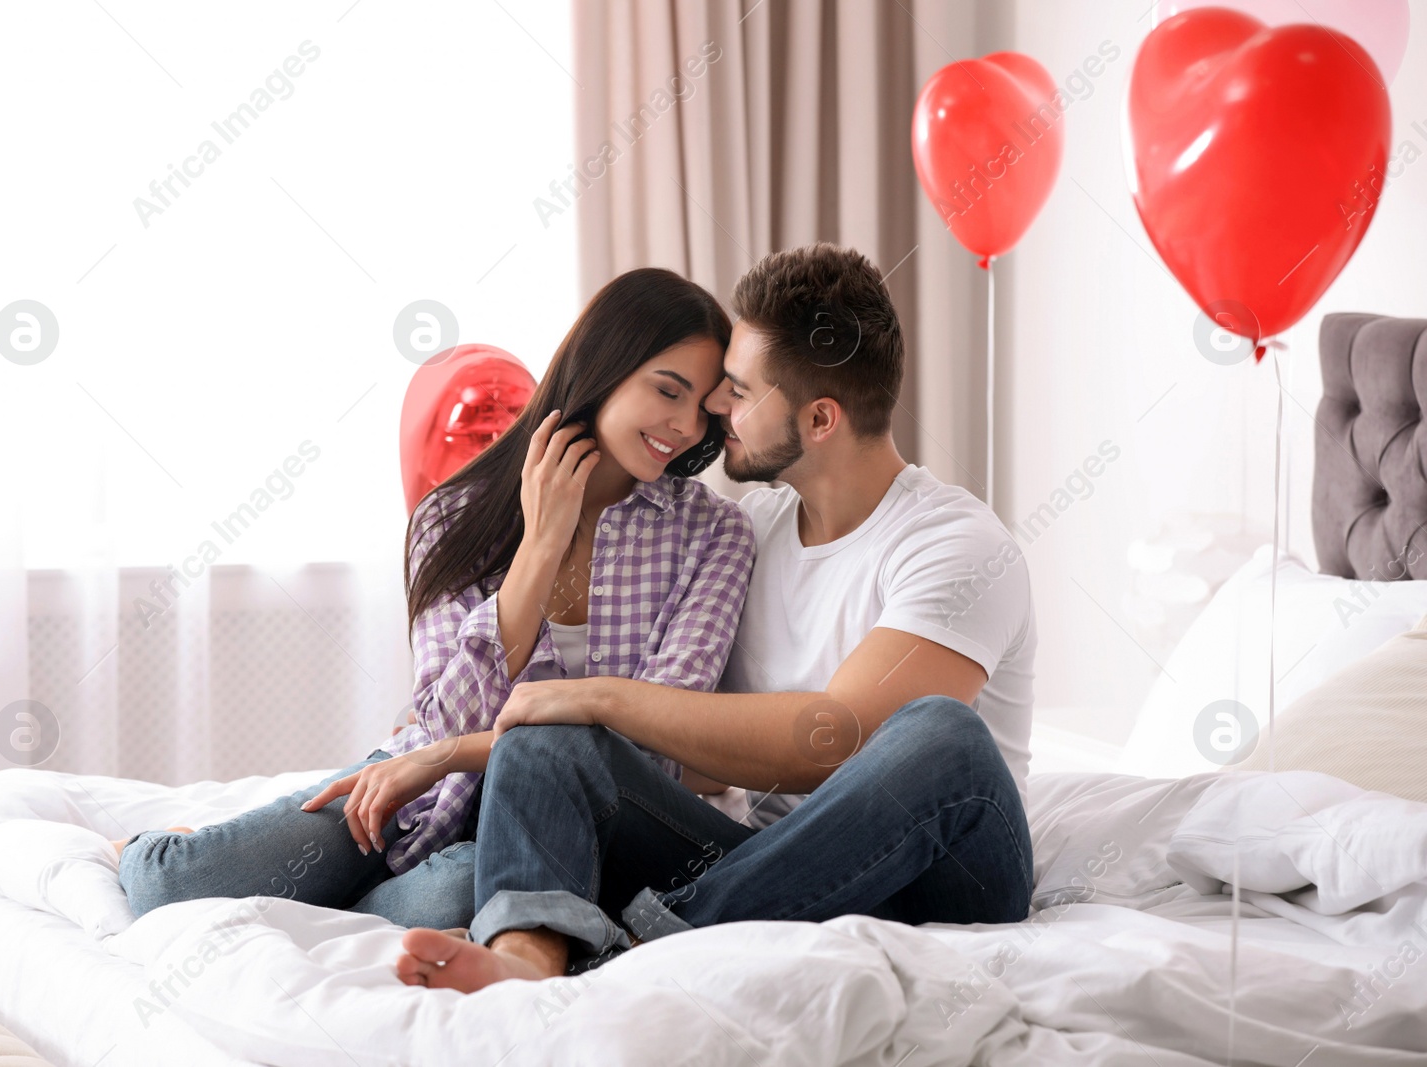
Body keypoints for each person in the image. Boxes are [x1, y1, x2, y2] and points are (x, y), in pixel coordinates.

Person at [394, 242, 1037, 991]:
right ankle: (526, 959)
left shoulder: (953, 544)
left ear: (820, 418)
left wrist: (594, 693)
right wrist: (469, 744)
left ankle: (640, 943)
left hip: (940, 874)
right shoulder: (752, 528)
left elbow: (833, 738)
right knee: (549, 744)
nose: (713, 411)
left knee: (943, 735)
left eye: (737, 390)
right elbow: (682, 743)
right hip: (775, 863)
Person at [113, 267, 757, 928]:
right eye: (667, 390)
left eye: (700, 406)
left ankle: (334, 908)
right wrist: (538, 546)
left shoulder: (714, 534)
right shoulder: (453, 515)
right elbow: (447, 716)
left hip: (544, 826)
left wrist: (444, 755)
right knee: (171, 884)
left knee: (457, 897)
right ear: (605, 364)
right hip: (420, 792)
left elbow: (652, 744)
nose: (682, 425)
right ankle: (152, 847)